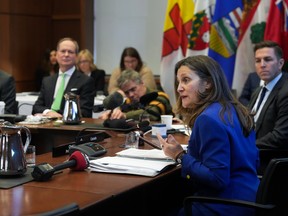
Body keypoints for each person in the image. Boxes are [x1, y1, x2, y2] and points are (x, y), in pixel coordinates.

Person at [157, 55, 260, 216]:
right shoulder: (238, 110)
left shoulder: (208, 119)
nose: (179, 88)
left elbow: (217, 179)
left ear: (208, 83)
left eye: (186, 80)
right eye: (179, 82)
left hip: (224, 205)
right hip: (250, 198)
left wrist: (179, 155)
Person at [32, 37, 95, 118]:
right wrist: (49, 112)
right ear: (57, 55)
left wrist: (58, 116)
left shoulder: (86, 81)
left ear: (76, 57)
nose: (66, 55)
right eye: (63, 51)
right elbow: (36, 107)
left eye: (70, 52)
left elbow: (85, 112)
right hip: (46, 126)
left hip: (69, 128)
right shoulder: (47, 81)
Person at [248, 40, 288, 149]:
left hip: (271, 160)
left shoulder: (286, 91)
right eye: (257, 61)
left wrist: (246, 146)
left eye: (267, 59)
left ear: (280, 63)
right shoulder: (258, 91)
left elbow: (281, 136)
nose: (262, 65)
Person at [101, 69, 173, 121]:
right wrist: (112, 113)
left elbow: (152, 113)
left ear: (142, 83)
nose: (131, 95)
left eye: (133, 89)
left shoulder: (159, 96)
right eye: (126, 92)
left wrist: (124, 115)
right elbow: (121, 112)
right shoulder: (129, 101)